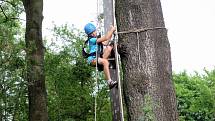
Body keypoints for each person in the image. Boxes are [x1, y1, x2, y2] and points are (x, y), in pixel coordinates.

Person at [84, 23, 117, 89]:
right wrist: (112, 30)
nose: (95, 33)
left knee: (109, 48)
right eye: (93, 32)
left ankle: (103, 65)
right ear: (91, 34)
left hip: (98, 57)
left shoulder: (96, 39)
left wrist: (111, 32)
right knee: (105, 62)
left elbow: (106, 42)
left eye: (95, 31)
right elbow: (106, 37)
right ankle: (109, 82)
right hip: (92, 59)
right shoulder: (92, 40)